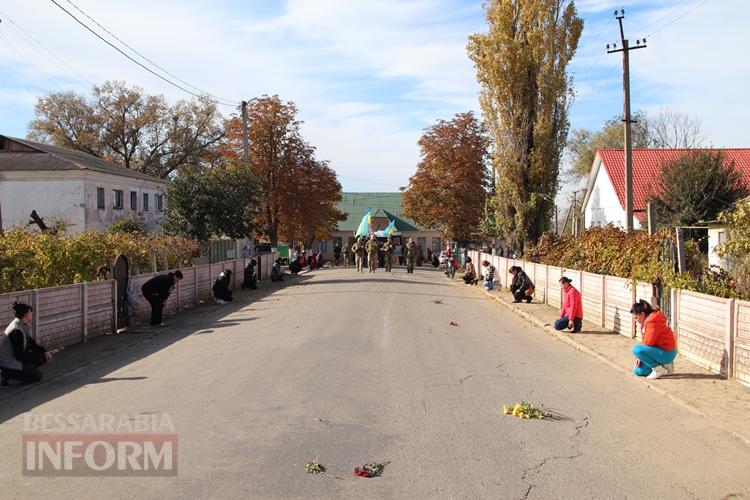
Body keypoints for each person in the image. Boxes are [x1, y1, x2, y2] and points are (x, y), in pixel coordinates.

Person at [0, 302, 52, 386]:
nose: (32, 314)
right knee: (38, 376)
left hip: (14, 358)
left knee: (43, 357)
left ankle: (22, 372)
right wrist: (29, 364)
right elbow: (19, 355)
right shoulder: (17, 330)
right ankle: (6, 374)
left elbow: (31, 343)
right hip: (7, 362)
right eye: (30, 312)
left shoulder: (21, 325)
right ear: (26, 314)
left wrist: (44, 351)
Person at [630, 300, 677, 379]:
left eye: (636, 317)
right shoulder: (647, 322)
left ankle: (658, 369)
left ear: (642, 314)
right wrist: (639, 358)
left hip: (667, 352)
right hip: (658, 350)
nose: (635, 320)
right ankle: (665, 368)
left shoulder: (653, 321)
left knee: (636, 349)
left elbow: (648, 342)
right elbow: (646, 342)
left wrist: (639, 355)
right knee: (638, 371)